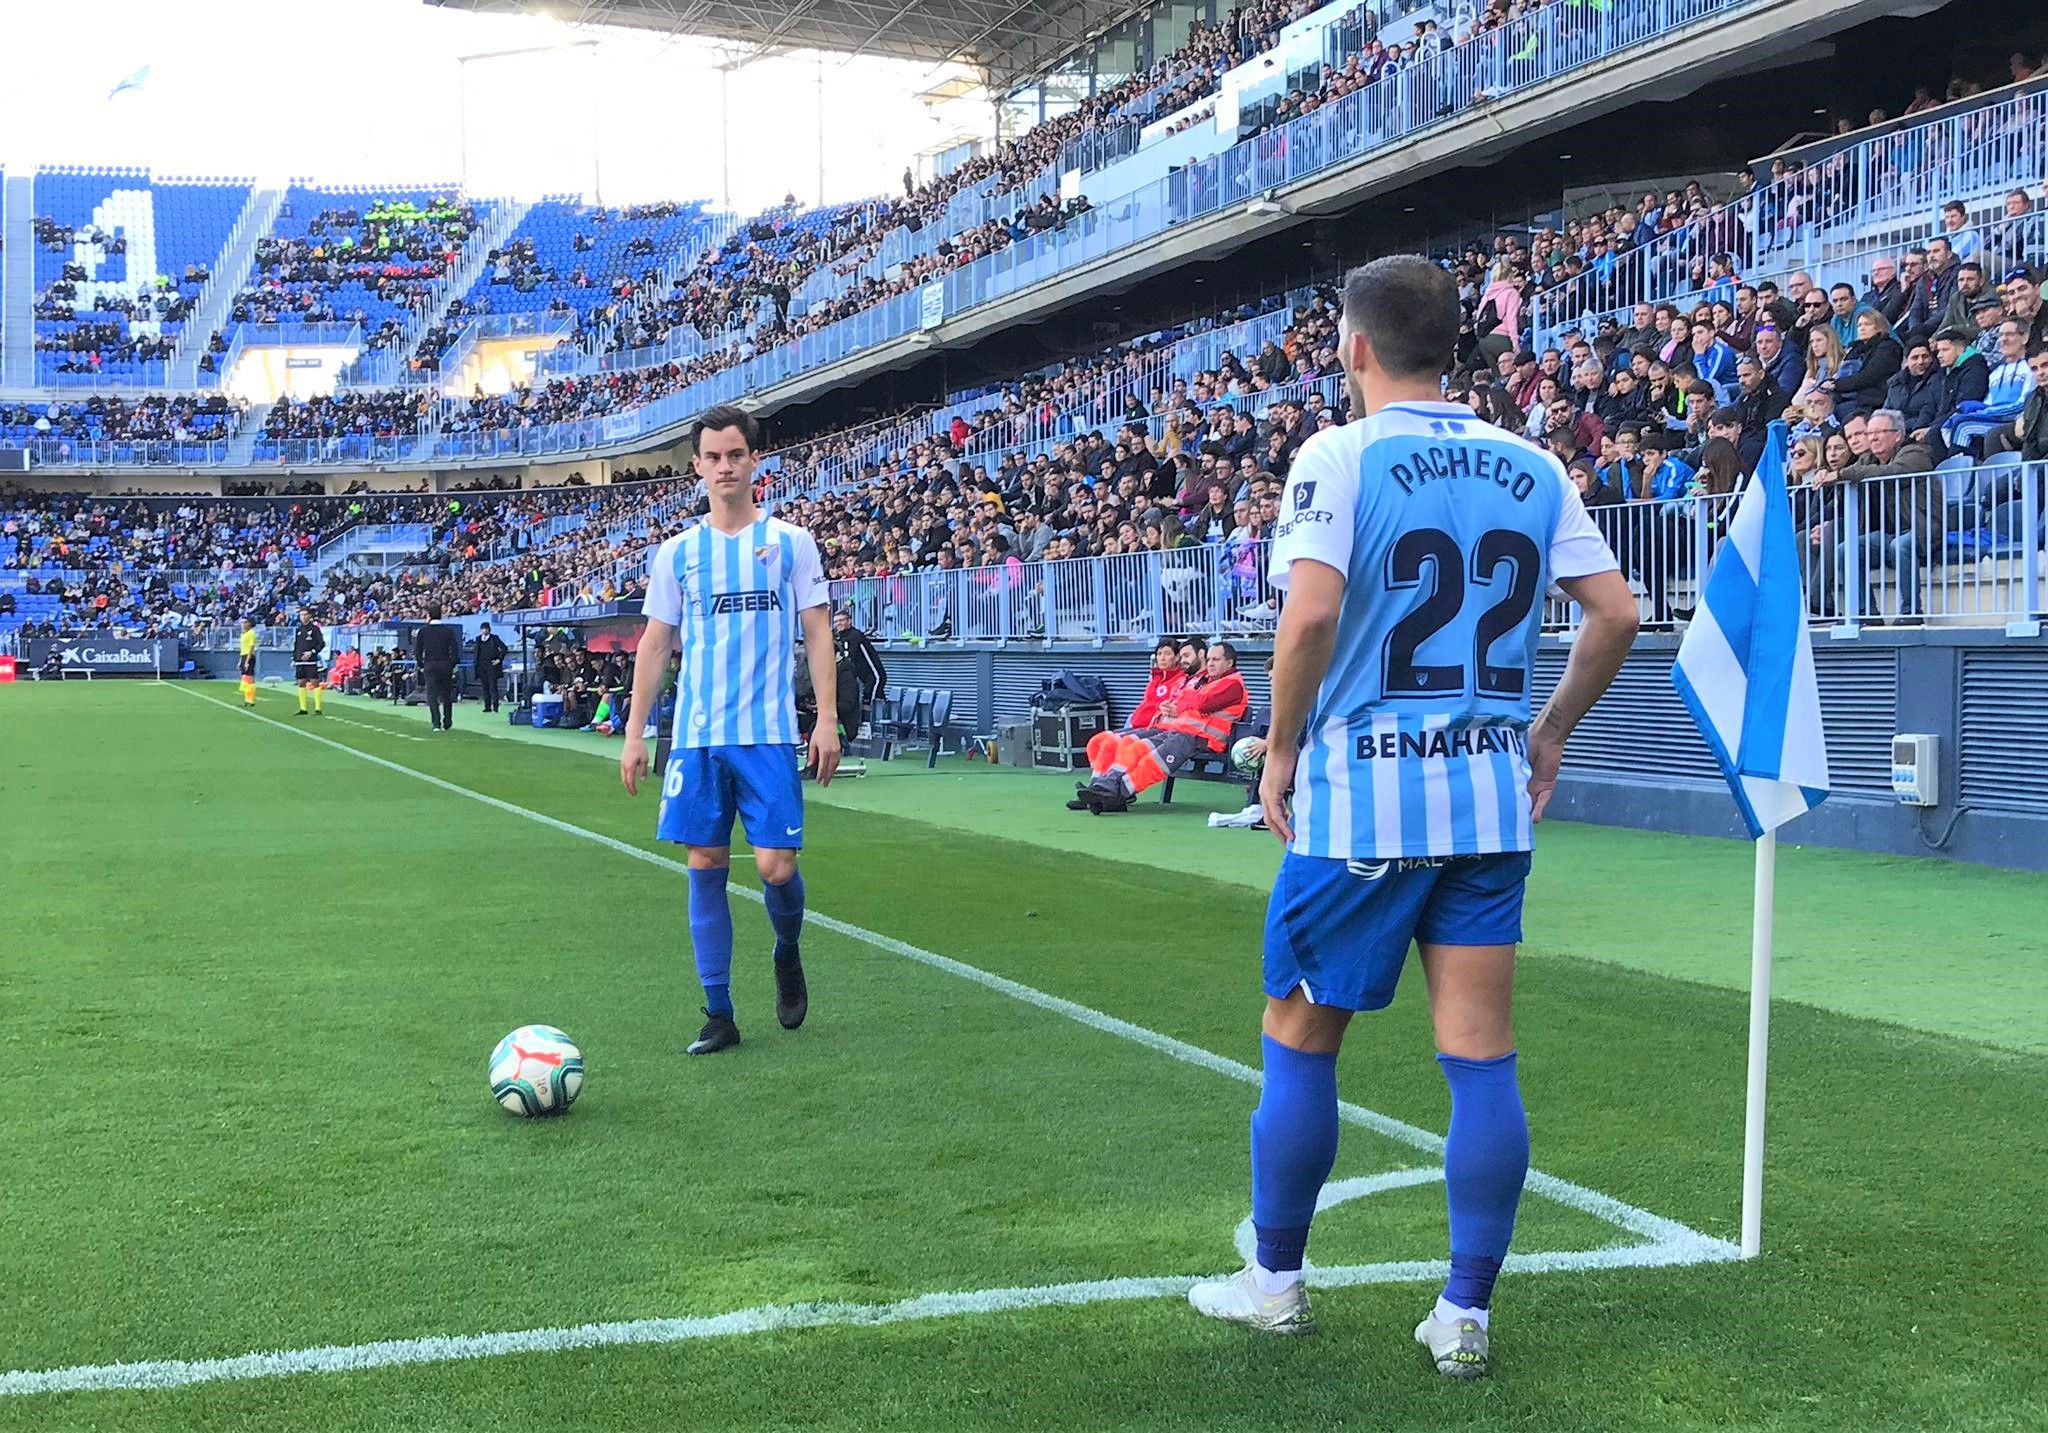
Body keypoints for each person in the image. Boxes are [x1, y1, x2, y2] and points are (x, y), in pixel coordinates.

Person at [1184, 256, 1638, 1378]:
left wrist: (1278, 748)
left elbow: (1308, 618)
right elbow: (1616, 613)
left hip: (1363, 807)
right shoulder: (1532, 463)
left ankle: (1275, 1282)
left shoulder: (1338, 453)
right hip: (1488, 799)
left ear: (1353, 346)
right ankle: (1463, 1312)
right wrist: (1549, 730)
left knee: (1299, 1037)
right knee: (1480, 1059)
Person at [619, 405, 839, 1056]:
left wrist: (827, 719)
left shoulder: (791, 542)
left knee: (775, 867)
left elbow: (818, 630)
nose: (724, 466)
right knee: (705, 861)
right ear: (697, 466)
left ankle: (786, 948)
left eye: (735, 454)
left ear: (754, 461)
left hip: (767, 732)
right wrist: (635, 730)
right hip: (697, 736)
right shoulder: (679, 553)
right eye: (713, 457)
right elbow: (655, 643)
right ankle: (718, 1012)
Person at [1071, 642, 1247, 813]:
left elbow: (1203, 703)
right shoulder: (1208, 681)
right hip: (1180, 731)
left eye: (1216, 659)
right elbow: (1191, 702)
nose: (1210, 664)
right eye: (1209, 660)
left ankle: (1113, 796)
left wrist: (1185, 701)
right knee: (1136, 748)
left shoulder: (1232, 684)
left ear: (1229, 663)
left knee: (1153, 761)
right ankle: (1102, 789)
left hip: (1202, 738)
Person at [831, 606, 887, 718]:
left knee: (872, 709)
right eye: (836, 621)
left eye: (841, 620)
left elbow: (875, 670)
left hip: (873, 679)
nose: (838, 624)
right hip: (857, 680)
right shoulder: (837, 638)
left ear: (849, 621)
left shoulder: (856, 636)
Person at [414, 602, 460, 731]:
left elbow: (418, 651)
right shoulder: (448, 631)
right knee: (446, 694)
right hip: (445, 664)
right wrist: (452, 664)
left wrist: (420, 664)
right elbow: (455, 650)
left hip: (430, 664)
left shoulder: (423, 631)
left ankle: (436, 723)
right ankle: (447, 720)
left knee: (432, 695)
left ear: (429, 615)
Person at [291, 610, 326, 716]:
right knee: (301, 683)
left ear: (309, 616)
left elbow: (321, 644)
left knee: (315, 682)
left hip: (311, 661)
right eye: (301, 615)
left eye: (305, 614)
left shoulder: (315, 629)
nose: (303, 616)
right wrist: (294, 658)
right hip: (299, 661)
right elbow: (296, 645)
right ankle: (303, 708)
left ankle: (318, 708)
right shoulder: (299, 629)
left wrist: (311, 652)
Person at [474, 622, 508, 713]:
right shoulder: (478, 639)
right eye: (482, 629)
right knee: (485, 687)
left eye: (486, 629)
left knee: (493, 686)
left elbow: (504, 648)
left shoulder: (494, 638)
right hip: (481, 665)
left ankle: (495, 707)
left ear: (489, 630)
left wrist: (499, 659)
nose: (484, 630)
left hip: (492, 665)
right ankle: (487, 706)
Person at [236, 617, 258, 707]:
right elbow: (242, 648)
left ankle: (251, 700)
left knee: (249, 677)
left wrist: (247, 661)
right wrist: (240, 660)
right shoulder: (244, 634)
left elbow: (251, 648)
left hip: (249, 656)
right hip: (243, 655)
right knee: (245, 678)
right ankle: (247, 699)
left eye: (246, 622)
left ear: (250, 623)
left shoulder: (251, 633)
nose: (244, 624)